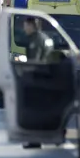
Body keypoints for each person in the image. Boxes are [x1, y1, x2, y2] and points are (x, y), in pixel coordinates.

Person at [21, 17, 54, 150]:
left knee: (33, 112)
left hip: (37, 79)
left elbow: (35, 61)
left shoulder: (36, 39)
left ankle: (35, 140)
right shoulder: (44, 37)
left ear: (31, 25)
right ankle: (39, 138)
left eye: (25, 26)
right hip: (45, 78)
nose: (24, 29)